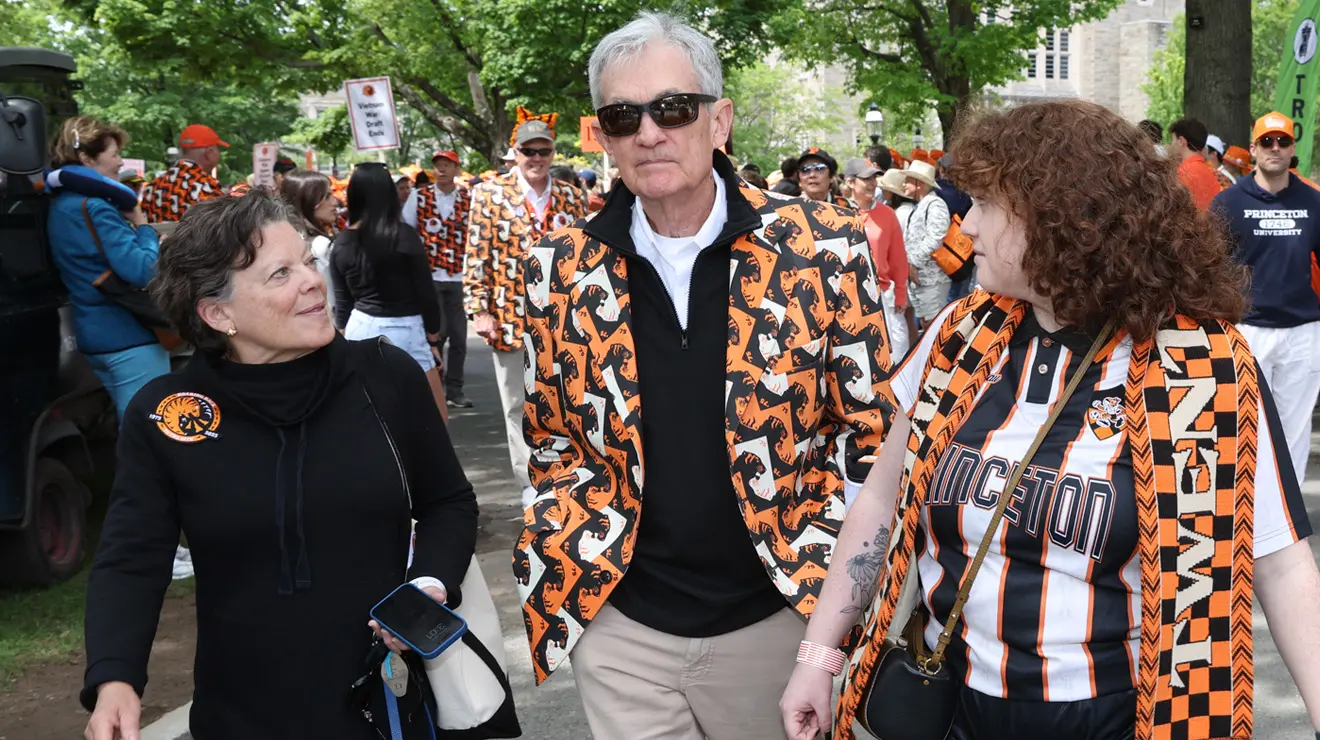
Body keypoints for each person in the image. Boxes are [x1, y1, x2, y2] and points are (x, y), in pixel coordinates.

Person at [783, 99, 1320, 740]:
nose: (966, 225)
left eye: (985, 204)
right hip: (950, 707)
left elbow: (1281, 566)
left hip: (1123, 719)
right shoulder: (961, 336)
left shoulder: (1205, 369)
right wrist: (819, 654)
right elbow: (879, 495)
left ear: (1059, 219)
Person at [518, 13, 893, 740]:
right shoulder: (556, 268)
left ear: (718, 121)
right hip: (623, 629)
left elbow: (870, 435)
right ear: (601, 137)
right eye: (623, 117)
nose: (649, 133)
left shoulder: (823, 247)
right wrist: (570, 558)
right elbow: (551, 439)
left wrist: (831, 608)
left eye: (673, 108)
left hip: (779, 621)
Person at [82, 191, 479, 740]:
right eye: (279, 274)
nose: (313, 281)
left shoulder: (385, 375)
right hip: (242, 714)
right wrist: (115, 677)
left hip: (387, 703)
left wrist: (428, 584)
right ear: (218, 313)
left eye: (309, 262)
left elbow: (448, 503)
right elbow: (132, 557)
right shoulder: (168, 413)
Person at [464, 110, 584, 505]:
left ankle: (569, 474)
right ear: (513, 153)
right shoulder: (488, 195)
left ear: (553, 153)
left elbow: (585, 256)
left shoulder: (571, 196)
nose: (536, 158)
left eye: (543, 151)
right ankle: (530, 484)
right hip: (510, 318)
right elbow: (476, 257)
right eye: (528, 151)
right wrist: (479, 310)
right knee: (517, 404)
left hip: (564, 319)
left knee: (567, 401)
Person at [1212, 110, 1320, 488]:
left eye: (1283, 141)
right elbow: (1208, 266)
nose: (1276, 148)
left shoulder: (1313, 201)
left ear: (1293, 150)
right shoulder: (1228, 203)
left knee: (1294, 428)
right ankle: (1245, 508)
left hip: (1302, 332)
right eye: (1268, 142)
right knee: (1243, 424)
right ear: (1254, 148)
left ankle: (1289, 520)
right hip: (1247, 330)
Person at [45, 116, 168, 421]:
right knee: (151, 432)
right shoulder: (96, 207)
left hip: (93, 333)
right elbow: (143, 270)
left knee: (135, 429)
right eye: (114, 154)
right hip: (126, 335)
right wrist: (144, 228)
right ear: (87, 158)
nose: (119, 162)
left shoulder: (61, 204)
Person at [332, 164, 447, 413]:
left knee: (372, 415)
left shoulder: (342, 242)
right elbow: (426, 293)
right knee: (432, 416)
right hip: (407, 329)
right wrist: (433, 339)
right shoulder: (405, 236)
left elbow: (342, 303)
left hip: (360, 328)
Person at [402, 150, 473, 409]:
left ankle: (456, 389)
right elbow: (407, 231)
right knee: (436, 335)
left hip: (459, 276)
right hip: (429, 276)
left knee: (459, 338)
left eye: (447, 165)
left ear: (456, 169)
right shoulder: (418, 197)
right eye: (438, 166)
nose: (441, 170)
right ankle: (437, 390)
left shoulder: (469, 198)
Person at [848, 159, 911, 360]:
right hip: (849, 295)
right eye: (866, 178)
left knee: (896, 350)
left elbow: (898, 259)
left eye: (874, 178)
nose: (872, 183)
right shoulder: (838, 211)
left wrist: (901, 293)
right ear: (850, 182)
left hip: (882, 293)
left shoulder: (887, 215)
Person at [279, 169, 339, 322]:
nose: (335, 202)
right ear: (309, 202)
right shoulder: (320, 245)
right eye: (327, 197)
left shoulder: (283, 239)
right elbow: (331, 299)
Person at [140, 124, 227, 222]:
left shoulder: (152, 187)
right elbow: (219, 229)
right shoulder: (206, 186)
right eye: (217, 149)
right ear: (209, 152)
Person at [901, 158, 951, 328]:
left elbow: (936, 237)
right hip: (921, 280)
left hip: (933, 280)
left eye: (908, 180)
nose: (904, 184)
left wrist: (913, 262)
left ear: (919, 184)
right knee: (926, 325)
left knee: (935, 327)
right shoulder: (922, 205)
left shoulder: (936, 204)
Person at [1169, 116, 1223, 211]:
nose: (1171, 145)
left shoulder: (1181, 173)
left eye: (1172, 140)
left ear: (1181, 141)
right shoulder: (1212, 173)